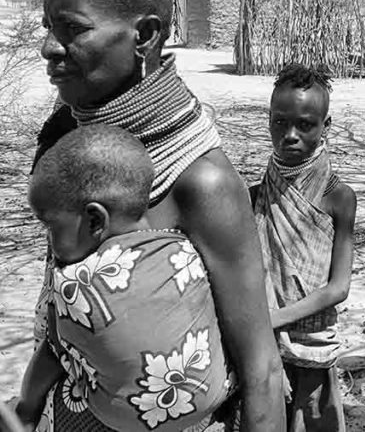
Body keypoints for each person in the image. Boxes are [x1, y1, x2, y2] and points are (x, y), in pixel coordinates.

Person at [31, 0, 284, 429]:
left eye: (72, 29)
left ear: (144, 36)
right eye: (47, 26)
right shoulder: (65, 140)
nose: (48, 46)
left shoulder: (199, 180)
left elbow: (262, 369)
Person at [17, 125, 234, 431]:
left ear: (95, 220)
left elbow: (54, 345)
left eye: (51, 227)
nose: (51, 242)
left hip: (112, 417)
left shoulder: (74, 283)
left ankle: (25, 415)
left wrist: (27, 409)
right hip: (207, 403)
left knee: (54, 354)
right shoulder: (184, 249)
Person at [250, 63, 357, 432]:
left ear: (325, 126)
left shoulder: (338, 197)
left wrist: (273, 319)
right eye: (279, 122)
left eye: (305, 125)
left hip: (311, 347)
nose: (290, 135)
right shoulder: (253, 197)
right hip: (261, 349)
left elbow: (338, 288)